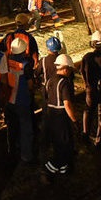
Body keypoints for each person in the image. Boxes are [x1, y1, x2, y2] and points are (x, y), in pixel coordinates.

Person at [42, 53, 77, 182]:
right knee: (64, 144)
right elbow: (67, 104)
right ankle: (50, 168)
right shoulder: (65, 83)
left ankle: (63, 168)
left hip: (50, 115)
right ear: (66, 69)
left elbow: (46, 98)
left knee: (57, 144)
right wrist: (74, 120)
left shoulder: (50, 80)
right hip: (61, 118)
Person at [4, 34, 36, 163]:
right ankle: (26, 155)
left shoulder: (6, 60)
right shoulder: (25, 65)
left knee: (11, 127)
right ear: (24, 50)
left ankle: (12, 150)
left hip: (8, 100)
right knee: (26, 129)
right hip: (21, 100)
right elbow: (30, 85)